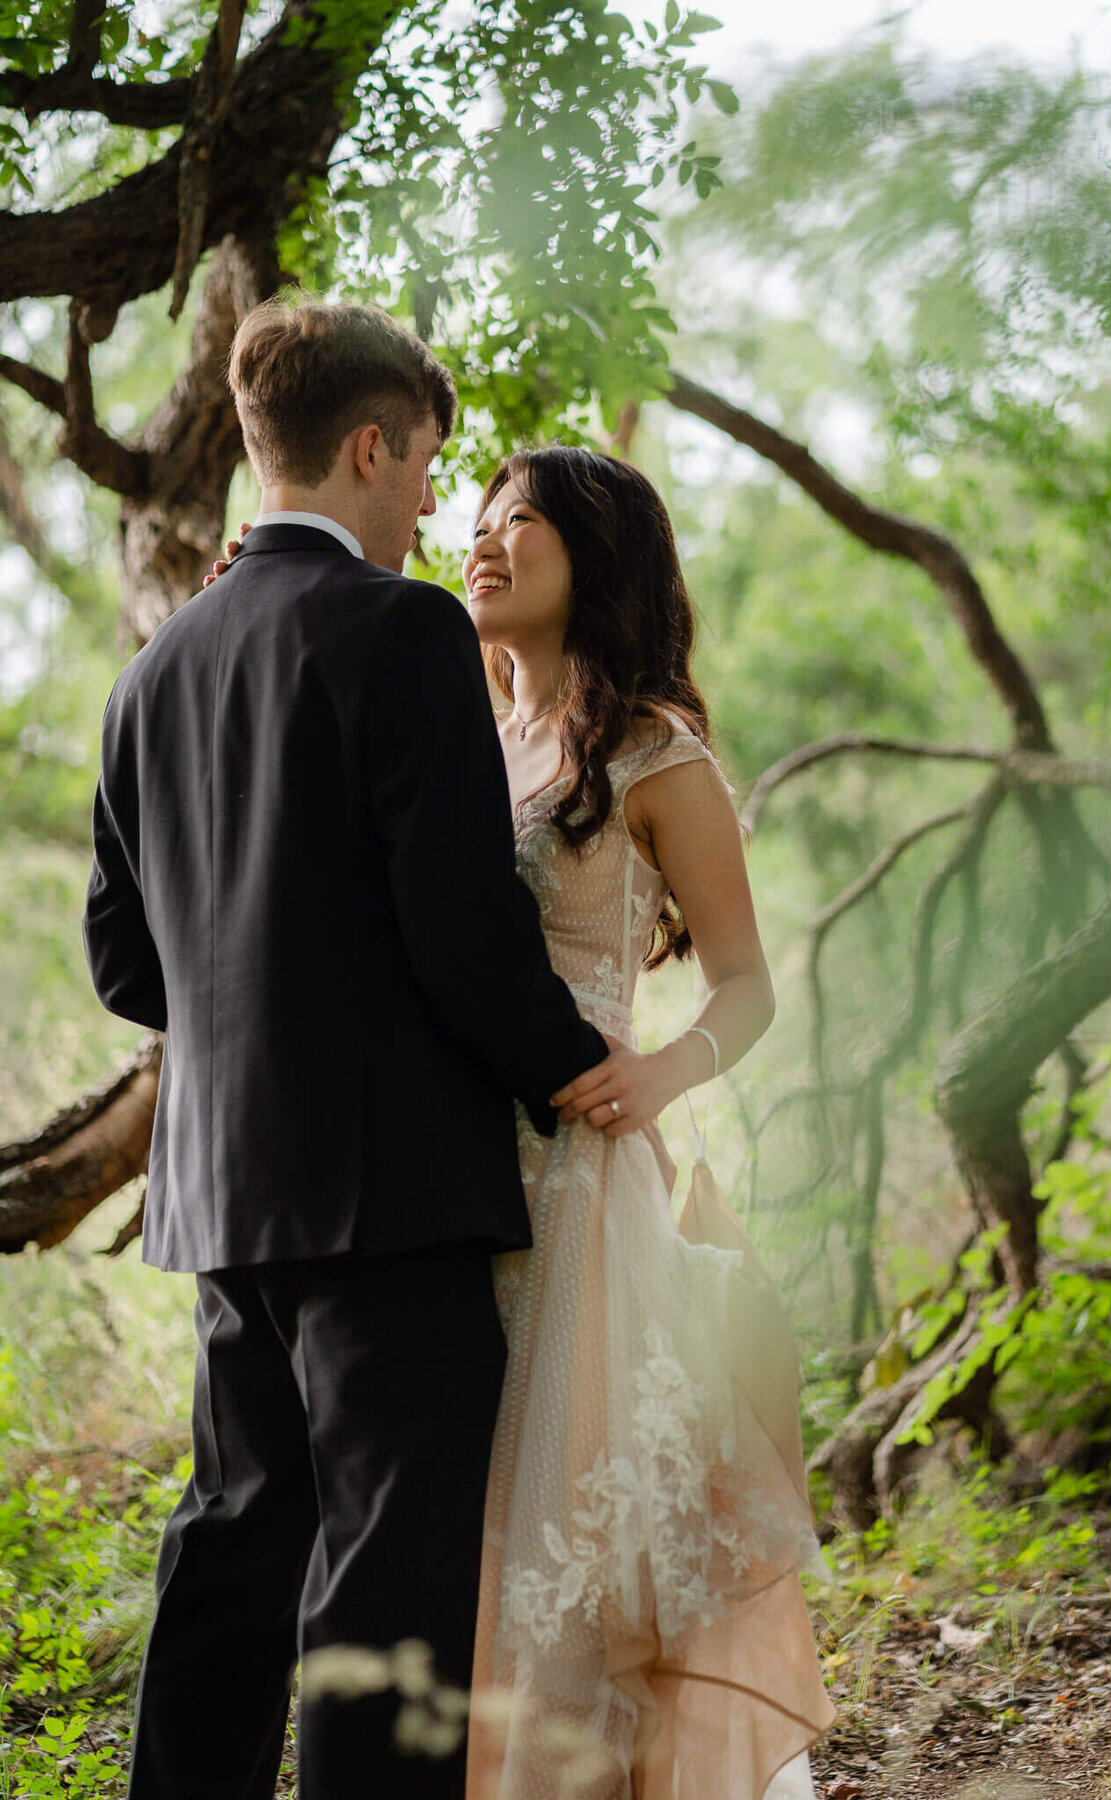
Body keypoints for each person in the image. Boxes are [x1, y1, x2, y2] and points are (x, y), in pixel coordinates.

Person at [82, 300, 609, 1800]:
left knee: (238, 1536)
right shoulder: (403, 627)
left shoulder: (153, 673)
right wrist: (561, 1067)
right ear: (371, 445)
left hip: (224, 1192)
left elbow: (127, 962)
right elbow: (457, 914)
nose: (435, 500)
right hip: (392, 1187)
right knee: (390, 1572)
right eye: (429, 462)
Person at [458, 447, 837, 1799]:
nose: (488, 544)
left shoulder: (652, 751)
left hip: (579, 1187)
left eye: (527, 529)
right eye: (483, 522)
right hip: (448, 1176)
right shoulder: (461, 728)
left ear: (596, 563)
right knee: (468, 1532)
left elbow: (748, 984)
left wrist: (663, 1075)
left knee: (565, 1546)